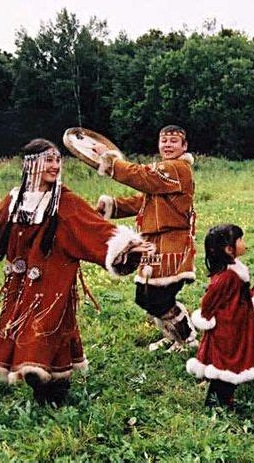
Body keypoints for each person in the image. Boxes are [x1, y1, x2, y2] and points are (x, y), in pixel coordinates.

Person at [0, 138, 153, 405]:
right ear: (31, 164)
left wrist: (127, 248)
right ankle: (51, 384)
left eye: (57, 160)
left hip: (53, 279)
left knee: (44, 327)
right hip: (21, 281)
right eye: (49, 160)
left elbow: (94, 228)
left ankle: (52, 389)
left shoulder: (64, 200)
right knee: (24, 327)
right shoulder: (16, 199)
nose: (55, 166)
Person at [94, 125, 197, 352]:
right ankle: (172, 335)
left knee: (160, 299)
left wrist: (110, 161)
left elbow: (141, 176)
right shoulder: (162, 175)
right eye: (164, 141)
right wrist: (112, 206)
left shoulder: (178, 168)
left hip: (173, 243)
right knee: (145, 296)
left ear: (184, 147)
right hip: (154, 245)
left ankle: (187, 339)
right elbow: (142, 201)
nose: (168, 145)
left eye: (173, 141)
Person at [186, 224, 254, 408]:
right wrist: (208, 318)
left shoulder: (236, 271)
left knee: (231, 364)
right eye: (241, 240)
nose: (245, 244)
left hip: (238, 325)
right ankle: (217, 403)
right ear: (229, 249)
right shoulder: (225, 278)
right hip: (228, 329)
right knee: (228, 365)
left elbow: (241, 296)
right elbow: (208, 302)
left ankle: (221, 400)